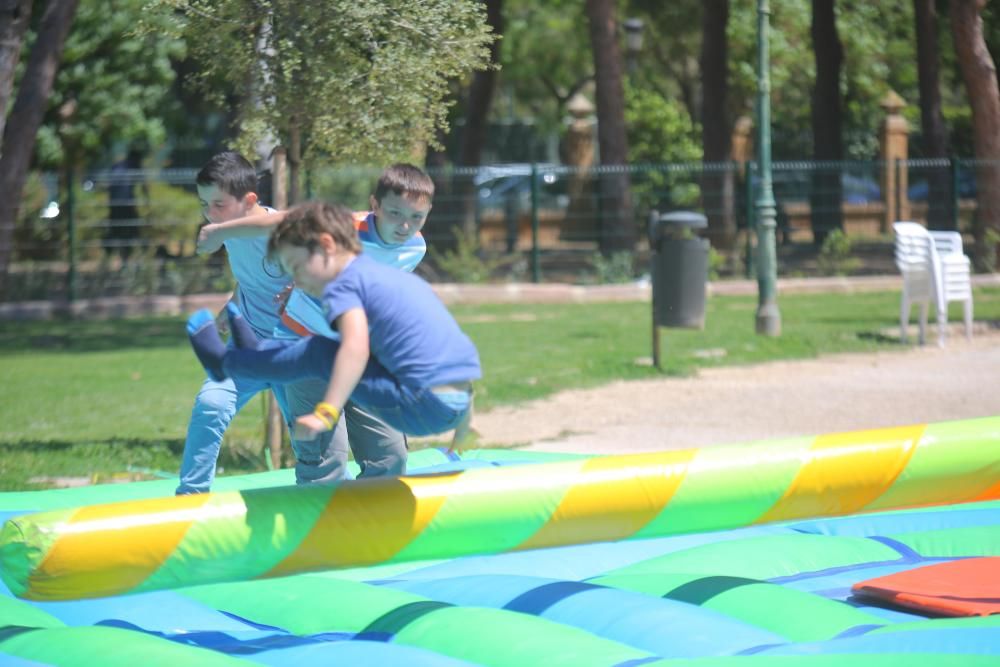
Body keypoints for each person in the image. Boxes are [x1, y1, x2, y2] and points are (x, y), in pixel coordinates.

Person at [194, 163, 435, 475]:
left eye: (416, 217)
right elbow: (282, 221)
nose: (404, 226)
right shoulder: (349, 226)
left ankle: (366, 521)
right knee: (326, 462)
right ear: (374, 206)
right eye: (395, 214)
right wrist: (220, 231)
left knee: (390, 460)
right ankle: (321, 516)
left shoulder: (415, 247)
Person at [187, 201, 480, 446]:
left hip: (420, 405)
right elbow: (456, 357)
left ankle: (226, 363)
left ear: (327, 245)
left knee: (321, 352)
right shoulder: (386, 275)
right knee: (336, 344)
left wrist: (325, 412)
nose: (296, 281)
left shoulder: (346, 284)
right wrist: (460, 429)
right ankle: (256, 354)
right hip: (450, 403)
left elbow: (354, 349)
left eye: (298, 268)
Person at [177, 151, 345, 494]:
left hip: (294, 350)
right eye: (205, 204)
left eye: (219, 204)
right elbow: (255, 280)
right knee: (211, 404)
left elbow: (298, 219)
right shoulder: (232, 236)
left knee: (310, 441)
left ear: (250, 200)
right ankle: (190, 498)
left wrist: (222, 229)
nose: (210, 214)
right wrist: (232, 305)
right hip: (248, 345)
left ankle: (320, 508)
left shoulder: (280, 232)